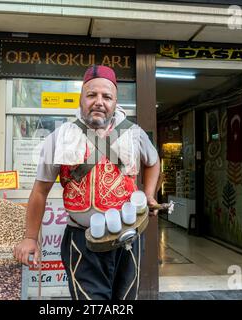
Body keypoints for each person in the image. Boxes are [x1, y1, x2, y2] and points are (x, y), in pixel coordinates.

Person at [14, 65, 160, 300]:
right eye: (92, 95)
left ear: (115, 101)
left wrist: (150, 194)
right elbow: (40, 191)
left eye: (106, 96)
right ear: (81, 98)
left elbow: (153, 162)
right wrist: (30, 237)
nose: (99, 102)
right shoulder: (58, 139)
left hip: (128, 238)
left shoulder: (133, 134)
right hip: (82, 242)